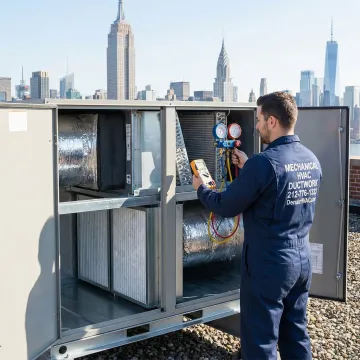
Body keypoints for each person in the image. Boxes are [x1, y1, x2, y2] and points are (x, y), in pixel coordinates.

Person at [192, 91, 322, 360]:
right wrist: (250, 166)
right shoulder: (310, 159)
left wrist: (201, 189)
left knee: (260, 340)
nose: (258, 125)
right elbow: (280, 187)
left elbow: (226, 206)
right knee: (295, 333)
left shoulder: (264, 163)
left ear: (273, 121)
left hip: (268, 264)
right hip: (301, 259)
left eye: (260, 119)